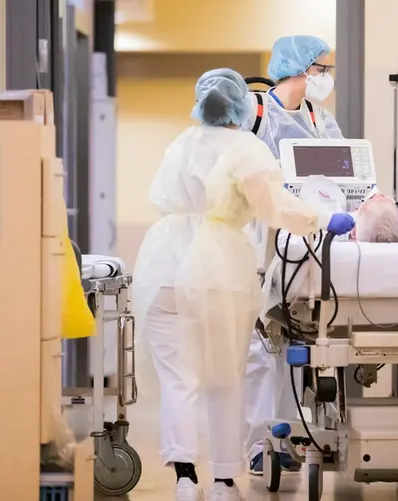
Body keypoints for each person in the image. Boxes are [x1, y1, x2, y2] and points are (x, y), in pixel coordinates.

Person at [132, 68, 354, 501]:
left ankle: (183, 478)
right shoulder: (246, 147)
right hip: (217, 268)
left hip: (161, 263)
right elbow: (277, 207)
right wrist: (326, 219)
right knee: (223, 378)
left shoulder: (181, 143)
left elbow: (159, 197)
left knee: (177, 380)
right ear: (240, 108)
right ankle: (222, 481)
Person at [242, 34, 345, 476]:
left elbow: (347, 170)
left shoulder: (321, 119)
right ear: (302, 68)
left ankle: (283, 438)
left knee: (291, 339)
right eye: (322, 68)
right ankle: (253, 445)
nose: (326, 76)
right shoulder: (255, 111)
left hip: (298, 240)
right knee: (255, 348)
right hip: (253, 238)